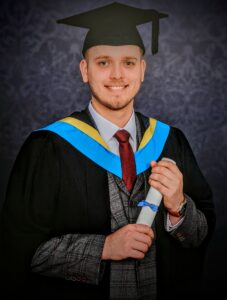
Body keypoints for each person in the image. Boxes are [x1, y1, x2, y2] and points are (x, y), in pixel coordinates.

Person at [0, 2, 215, 300]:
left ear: (142, 70)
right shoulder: (48, 147)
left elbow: (200, 238)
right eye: (103, 62)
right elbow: (18, 252)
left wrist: (179, 206)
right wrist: (104, 248)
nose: (116, 74)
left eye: (128, 62)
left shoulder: (170, 141)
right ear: (84, 70)